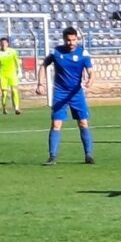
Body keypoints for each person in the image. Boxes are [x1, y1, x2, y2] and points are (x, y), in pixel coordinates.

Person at [36, 27, 95, 165]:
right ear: (64, 40)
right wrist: (40, 83)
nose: (71, 43)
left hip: (76, 93)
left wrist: (91, 79)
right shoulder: (56, 52)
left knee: (83, 123)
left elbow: (91, 71)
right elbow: (44, 65)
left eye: (74, 40)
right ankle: (52, 157)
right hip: (60, 93)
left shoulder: (83, 53)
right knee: (56, 124)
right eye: (68, 40)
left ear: (77, 39)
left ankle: (88, 155)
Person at [0, 37, 22, 115]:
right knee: (4, 93)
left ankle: (17, 108)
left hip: (12, 74)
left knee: (14, 90)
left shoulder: (13, 52)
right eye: (2, 43)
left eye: (5, 43)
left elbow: (16, 61)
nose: (3, 45)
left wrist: (19, 71)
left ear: (7, 44)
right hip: (3, 74)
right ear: (0, 44)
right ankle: (4, 108)